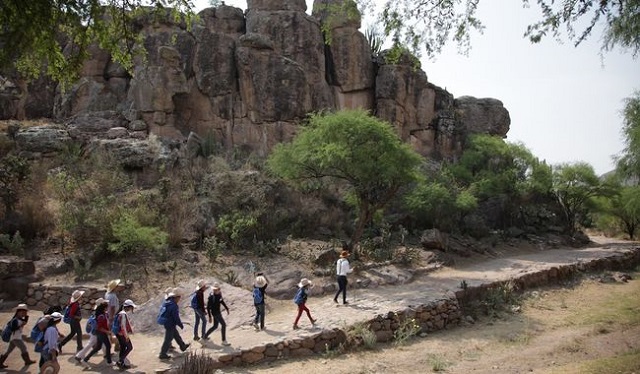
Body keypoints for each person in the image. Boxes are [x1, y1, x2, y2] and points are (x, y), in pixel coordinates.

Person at [0, 304, 36, 368]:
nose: (24, 314)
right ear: (19, 312)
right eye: (23, 312)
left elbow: (23, 322)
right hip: (15, 338)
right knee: (23, 348)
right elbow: (13, 328)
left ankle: (0, 363)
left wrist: (26, 318)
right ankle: (27, 361)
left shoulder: (18, 319)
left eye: (25, 312)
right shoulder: (15, 320)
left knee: (9, 351)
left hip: (14, 337)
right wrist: (21, 325)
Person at [77, 298, 111, 365]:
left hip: (99, 332)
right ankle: (109, 361)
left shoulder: (102, 314)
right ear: (104, 307)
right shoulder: (101, 316)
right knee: (107, 345)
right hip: (101, 333)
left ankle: (85, 359)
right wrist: (107, 332)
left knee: (98, 347)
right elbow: (100, 327)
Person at [158, 289, 190, 359]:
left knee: (176, 335)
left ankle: (183, 346)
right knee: (168, 339)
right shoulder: (173, 306)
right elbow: (176, 317)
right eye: (179, 298)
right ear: (176, 297)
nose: (179, 299)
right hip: (170, 324)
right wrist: (180, 324)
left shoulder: (167, 302)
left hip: (167, 323)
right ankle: (162, 354)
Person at [113, 299, 136, 369]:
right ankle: (120, 361)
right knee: (130, 347)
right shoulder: (123, 314)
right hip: (122, 334)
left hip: (118, 333)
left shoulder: (120, 312)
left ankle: (121, 363)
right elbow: (123, 326)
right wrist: (126, 336)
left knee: (123, 347)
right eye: (131, 307)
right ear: (128, 307)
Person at [105, 279, 124, 351]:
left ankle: (111, 346)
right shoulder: (112, 296)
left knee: (111, 331)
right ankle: (116, 346)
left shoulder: (107, 294)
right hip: (113, 315)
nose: (119, 287)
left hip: (109, 315)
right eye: (117, 286)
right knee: (117, 331)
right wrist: (112, 317)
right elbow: (112, 307)